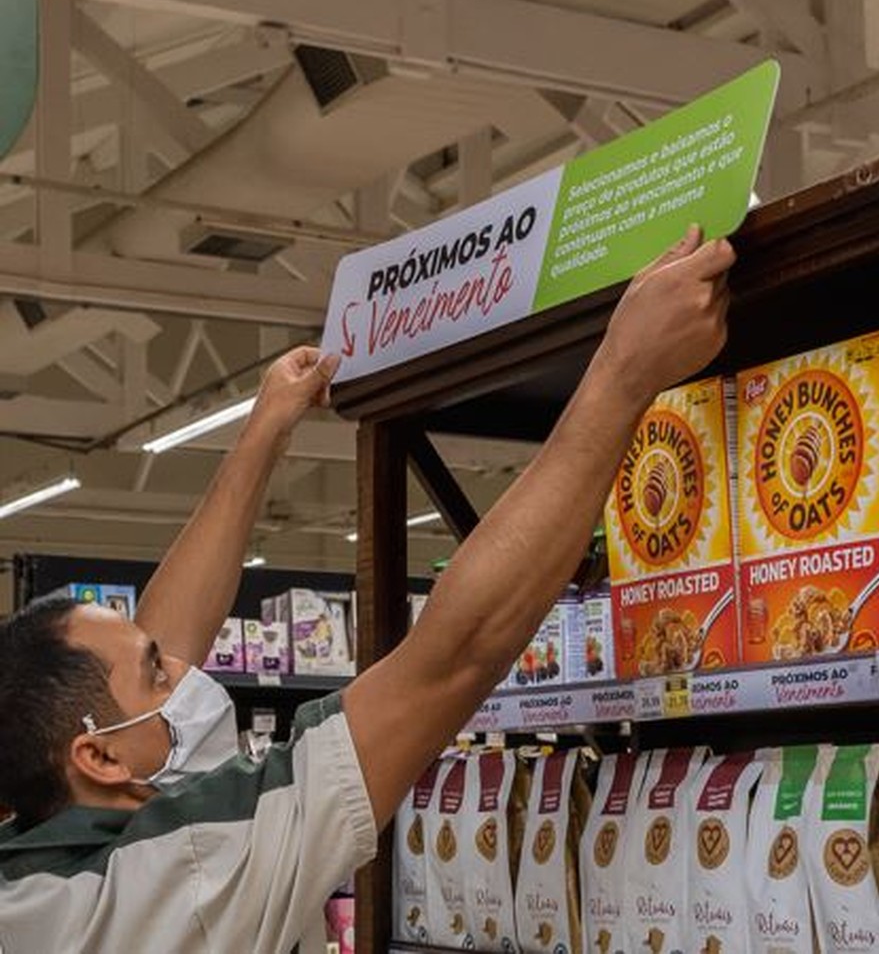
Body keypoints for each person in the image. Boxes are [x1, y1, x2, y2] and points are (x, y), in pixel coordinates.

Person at [0, 227, 734, 953]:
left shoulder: (47, 867)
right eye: (159, 672)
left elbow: (159, 642)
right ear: (97, 756)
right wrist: (622, 373)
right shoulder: (172, 881)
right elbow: (453, 657)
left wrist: (264, 431)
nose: (182, 674)